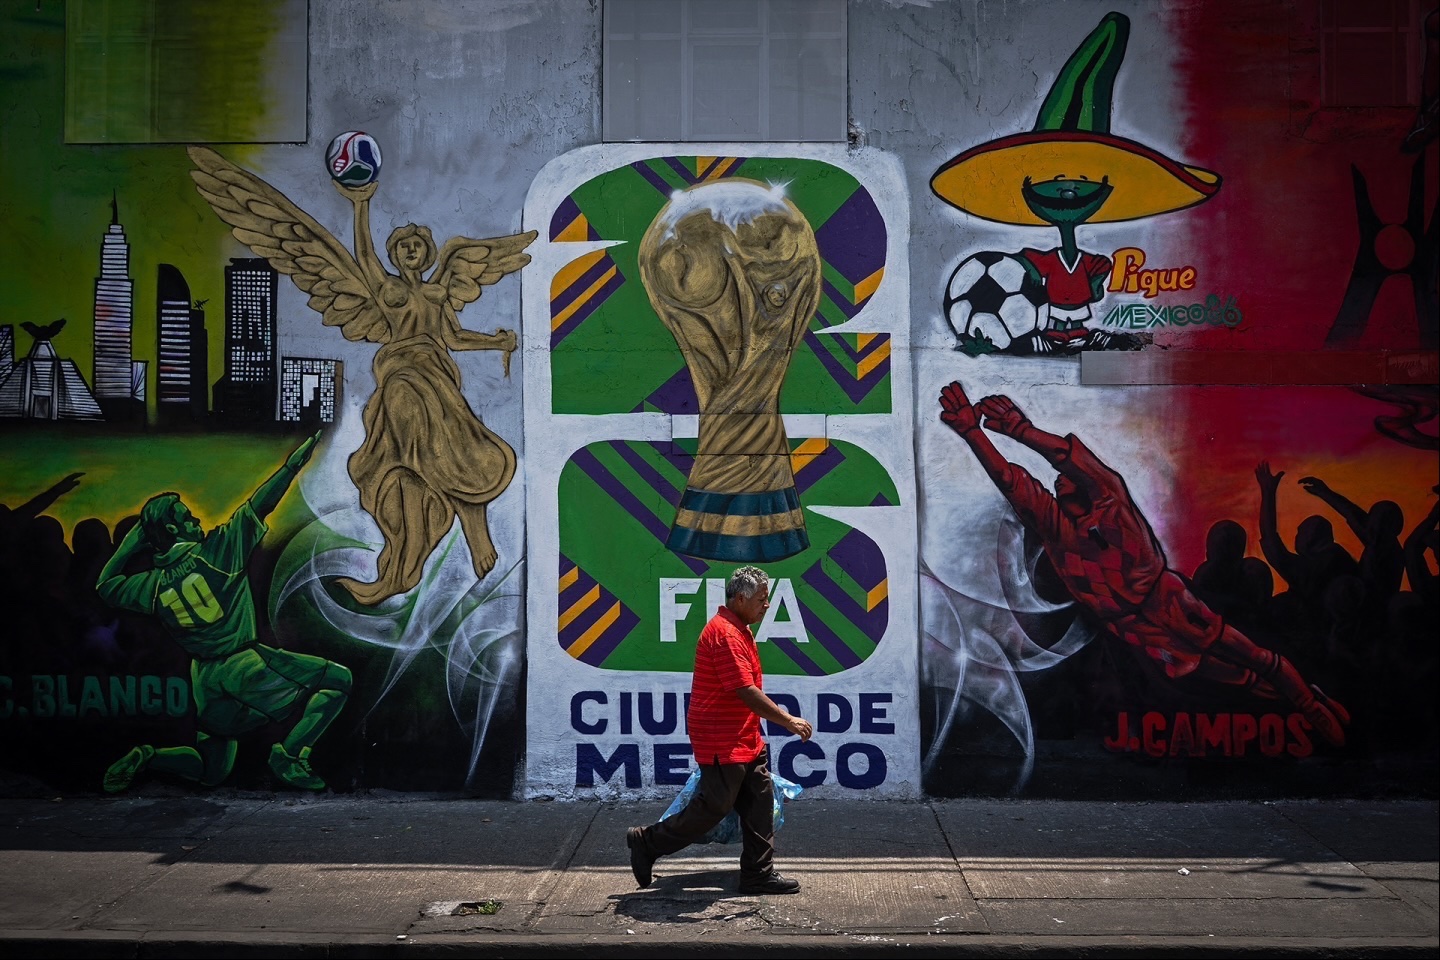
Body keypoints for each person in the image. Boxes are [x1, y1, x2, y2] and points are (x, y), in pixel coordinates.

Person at [189, 146, 536, 605]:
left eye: (417, 245)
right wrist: (360, 206)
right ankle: (406, 562)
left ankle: (468, 531)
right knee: (412, 462)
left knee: (456, 454)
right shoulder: (388, 291)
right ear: (396, 255)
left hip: (438, 377)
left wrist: (499, 342)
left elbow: (455, 338)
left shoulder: (436, 295)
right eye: (403, 246)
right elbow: (366, 262)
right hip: (402, 381)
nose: (411, 251)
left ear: (428, 253)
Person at [937, 381, 1350, 746]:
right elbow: (1012, 482)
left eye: (1066, 478)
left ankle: (1307, 702)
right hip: (1131, 624)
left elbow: (1068, 457)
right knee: (1207, 673)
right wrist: (972, 433)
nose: (1056, 481)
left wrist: (1021, 431)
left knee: (1250, 656)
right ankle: (1296, 697)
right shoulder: (1059, 531)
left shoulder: (1113, 508)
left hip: (1168, 603)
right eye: (1055, 483)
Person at [97, 431, 353, 792]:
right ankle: (290, 755)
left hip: (204, 677)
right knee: (338, 680)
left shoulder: (150, 585)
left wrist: (131, 542)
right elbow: (259, 504)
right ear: (173, 529)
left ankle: (147, 756)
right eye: (187, 517)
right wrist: (291, 466)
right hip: (242, 664)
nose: (197, 520)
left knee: (211, 770)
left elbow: (105, 586)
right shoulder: (217, 553)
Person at [625, 565, 814, 894]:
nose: (766, 605)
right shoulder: (725, 634)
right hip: (722, 739)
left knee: (759, 801)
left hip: (744, 736)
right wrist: (788, 720)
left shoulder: (740, 627)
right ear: (741, 599)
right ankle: (647, 841)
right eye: (761, 599)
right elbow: (746, 691)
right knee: (713, 808)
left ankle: (757, 873)